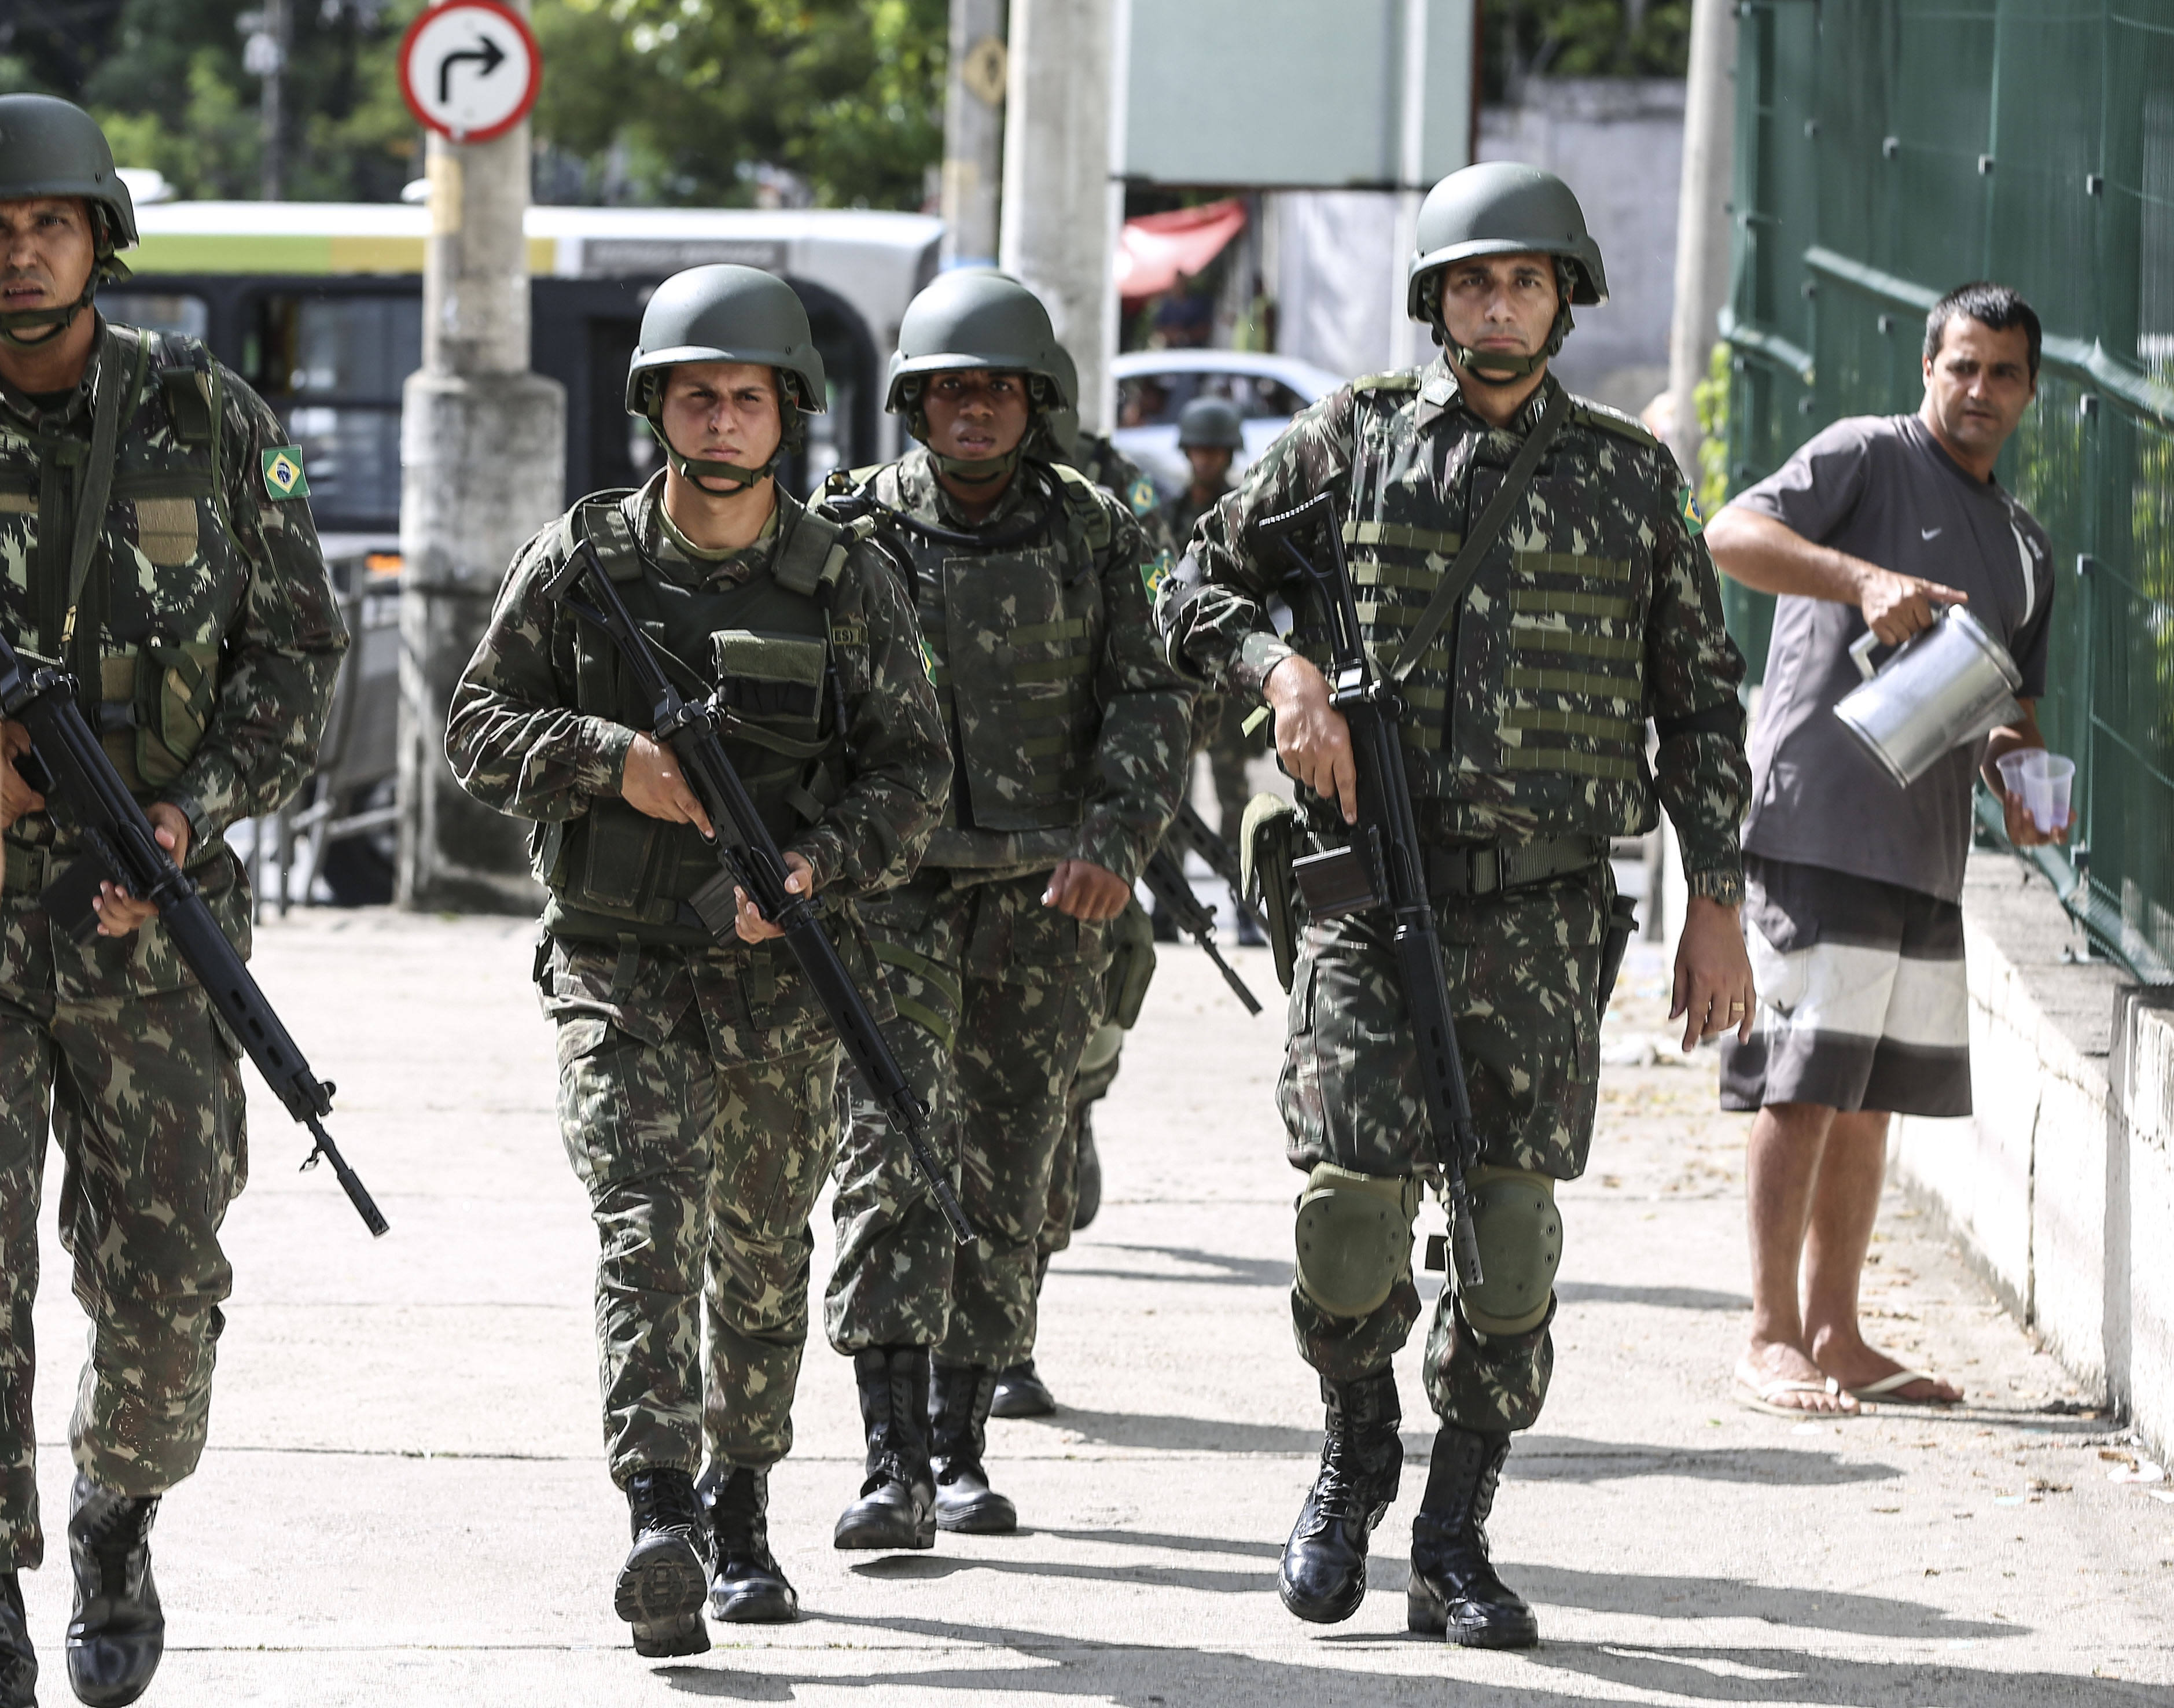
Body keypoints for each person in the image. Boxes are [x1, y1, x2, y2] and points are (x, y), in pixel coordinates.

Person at [1160, 161, 1756, 1648]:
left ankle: (1451, 1529)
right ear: (1434, 300)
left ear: (1564, 298)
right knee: (1341, 1221)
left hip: (1544, 917)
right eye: (1473, 284)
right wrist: (1280, 672)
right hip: (1367, 897)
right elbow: (1189, 585)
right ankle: (1354, 1439)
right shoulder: (1348, 446)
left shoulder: (1628, 480)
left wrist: (1718, 898)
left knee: (1505, 1248)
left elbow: (1697, 708)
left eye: (1525, 283)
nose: (1498, 307)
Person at [445, 265, 949, 1658]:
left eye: (745, 397)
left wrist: (811, 868)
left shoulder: (845, 580)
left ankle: (741, 1505)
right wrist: (618, 764)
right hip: (616, 966)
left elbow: (912, 777)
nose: (720, 419)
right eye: (695, 395)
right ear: (656, 406)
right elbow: (477, 726)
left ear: (786, 413)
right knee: (643, 1229)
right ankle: (658, 1514)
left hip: (776, 977)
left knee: (758, 1247)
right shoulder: (587, 560)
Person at [0, 95, 349, 1708]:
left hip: (150, 930)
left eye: (46, 225)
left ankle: (115, 1512)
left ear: (101, 238)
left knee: (164, 1275)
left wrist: (189, 817)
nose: (17, 254)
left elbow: (297, 659)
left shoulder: (210, 420)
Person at [820, 269, 1193, 1545]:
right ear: (911, 405)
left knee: (1010, 1162)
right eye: (946, 392)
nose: (971, 413)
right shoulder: (848, 530)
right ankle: (887, 1458)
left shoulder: (1100, 532)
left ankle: (961, 1443)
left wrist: (1114, 839)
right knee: (888, 1155)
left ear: (1035, 403)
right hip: (894, 895)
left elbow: (1154, 696)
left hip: (1046, 898)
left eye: (994, 391)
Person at [1702, 282, 2061, 1418]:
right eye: (1962, 366)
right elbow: (1731, 534)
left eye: (2003, 374)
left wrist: (2020, 779)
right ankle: (1767, 1337)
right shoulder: (1865, 455)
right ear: (1927, 367)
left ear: (2030, 392)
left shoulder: (2025, 548)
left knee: (1866, 1103)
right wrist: (1862, 578)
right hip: (1817, 824)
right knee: (1801, 1088)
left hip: (1926, 851)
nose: (1979, 391)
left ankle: (1838, 1334)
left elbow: (2014, 710)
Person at [1158, 394, 1266, 941]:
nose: (1205, 460)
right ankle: (1168, 906)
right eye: (1197, 450)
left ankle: (1243, 903)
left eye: (1215, 451)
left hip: (1230, 681)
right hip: (1181, 680)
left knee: (1233, 798)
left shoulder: (1244, 512)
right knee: (1171, 794)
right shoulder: (1170, 516)